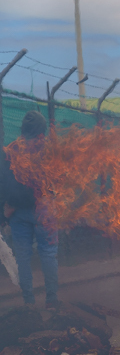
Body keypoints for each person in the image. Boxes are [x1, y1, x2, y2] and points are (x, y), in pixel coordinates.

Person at [0, 110, 59, 308]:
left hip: (17, 212)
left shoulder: (10, 151)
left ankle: (29, 304)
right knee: (48, 253)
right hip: (43, 209)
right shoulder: (48, 151)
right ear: (41, 133)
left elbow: (3, 184)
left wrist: (6, 211)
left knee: (23, 258)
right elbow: (58, 179)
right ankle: (51, 300)